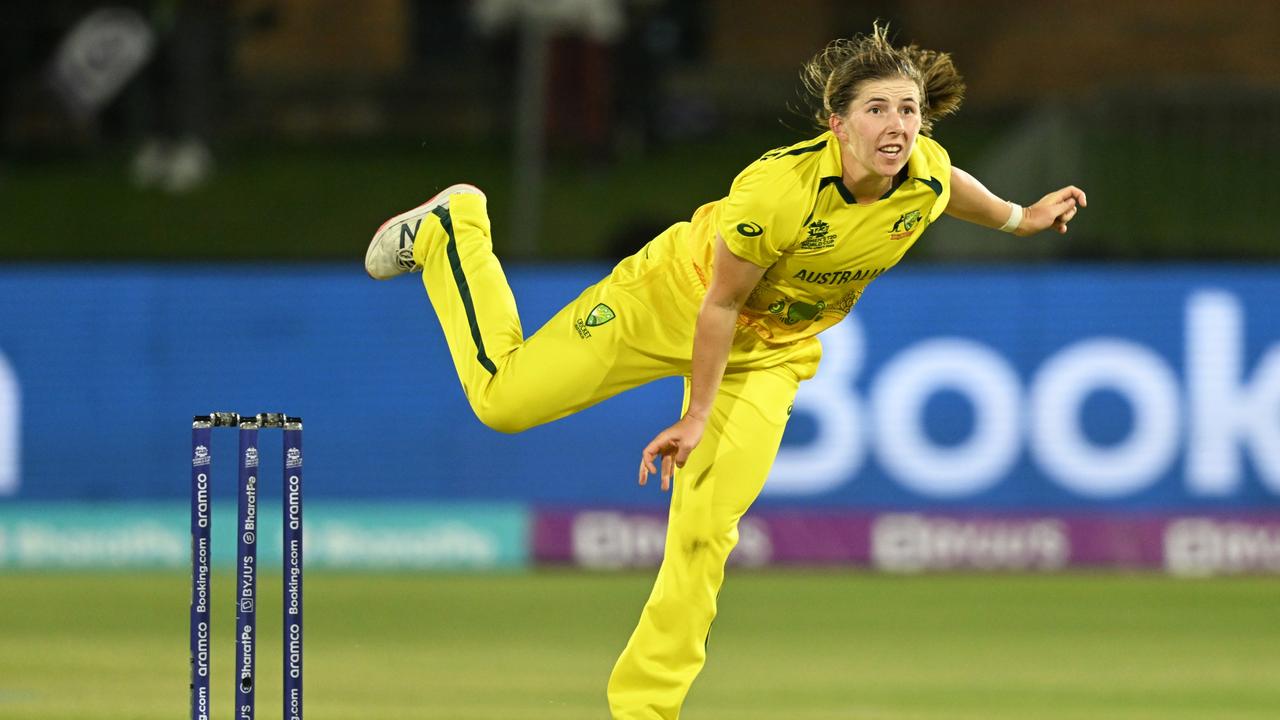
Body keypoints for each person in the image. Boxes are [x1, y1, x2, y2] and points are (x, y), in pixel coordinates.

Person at [365, 23, 1085, 720]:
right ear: (837, 123)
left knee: (705, 534)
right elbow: (720, 305)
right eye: (876, 110)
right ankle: (453, 228)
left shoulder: (920, 171)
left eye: (908, 110)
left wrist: (1019, 217)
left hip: (769, 355)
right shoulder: (776, 192)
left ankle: (646, 710)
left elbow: (950, 185)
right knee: (503, 403)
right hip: (667, 304)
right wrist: (696, 417)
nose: (897, 126)